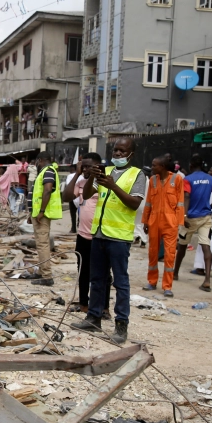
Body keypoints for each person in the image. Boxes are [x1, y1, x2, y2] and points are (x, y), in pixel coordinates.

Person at [70, 137, 145, 344]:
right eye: (115, 150)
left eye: (122, 151)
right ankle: (93, 318)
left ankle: (121, 325)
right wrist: (91, 179)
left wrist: (113, 186)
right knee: (97, 279)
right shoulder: (107, 171)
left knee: (120, 283)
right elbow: (86, 195)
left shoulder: (137, 175)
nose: (118, 154)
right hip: (99, 234)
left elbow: (133, 204)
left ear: (131, 153)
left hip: (119, 238)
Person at [63, 153, 110, 314]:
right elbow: (67, 197)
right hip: (83, 235)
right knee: (83, 270)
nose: (86, 169)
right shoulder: (81, 182)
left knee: (103, 273)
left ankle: (104, 307)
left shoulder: (105, 182)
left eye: (89, 166)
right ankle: (84, 304)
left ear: (97, 166)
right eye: (83, 166)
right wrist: (76, 174)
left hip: (100, 235)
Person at [173, 155, 212, 292]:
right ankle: (207, 280)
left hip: (190, 218)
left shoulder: (188, 179)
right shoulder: (211, 179)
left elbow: (187, 196)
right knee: (206, 246)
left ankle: (175, 273)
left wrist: (184, 215)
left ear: (191, 165)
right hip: (206, 217)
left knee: (182, 246)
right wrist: (209, 207)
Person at [142, 156, 185, 297]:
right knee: (153, 252)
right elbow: (148, 202)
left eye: (154, 165)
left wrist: (179, 223)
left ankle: (167, 286)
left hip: (170, 221)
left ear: (163, 166)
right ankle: (152, 281)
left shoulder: (177, 179)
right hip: (154, 220)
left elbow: (180, 202)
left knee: (170, 254)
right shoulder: (153, 180)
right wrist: (146, 221)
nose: (152, 167)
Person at [26, 152, 62, 287]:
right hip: (38, 214)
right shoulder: (46, 172)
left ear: (40, 160)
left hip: (43, 214)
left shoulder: (48, 171)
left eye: (36, 162)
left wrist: (41, 212)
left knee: (42, 244)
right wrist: (32, 213)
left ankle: (47, 276)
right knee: (40, 243)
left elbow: (47, 190)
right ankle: (42, 271)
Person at [63, 164, 78, 233]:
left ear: (72, 169)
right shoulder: (81, 176)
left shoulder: (70, 176)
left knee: (73, 214)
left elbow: (68, 185)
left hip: (72, 196)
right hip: (80, 197)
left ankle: (73, 228)